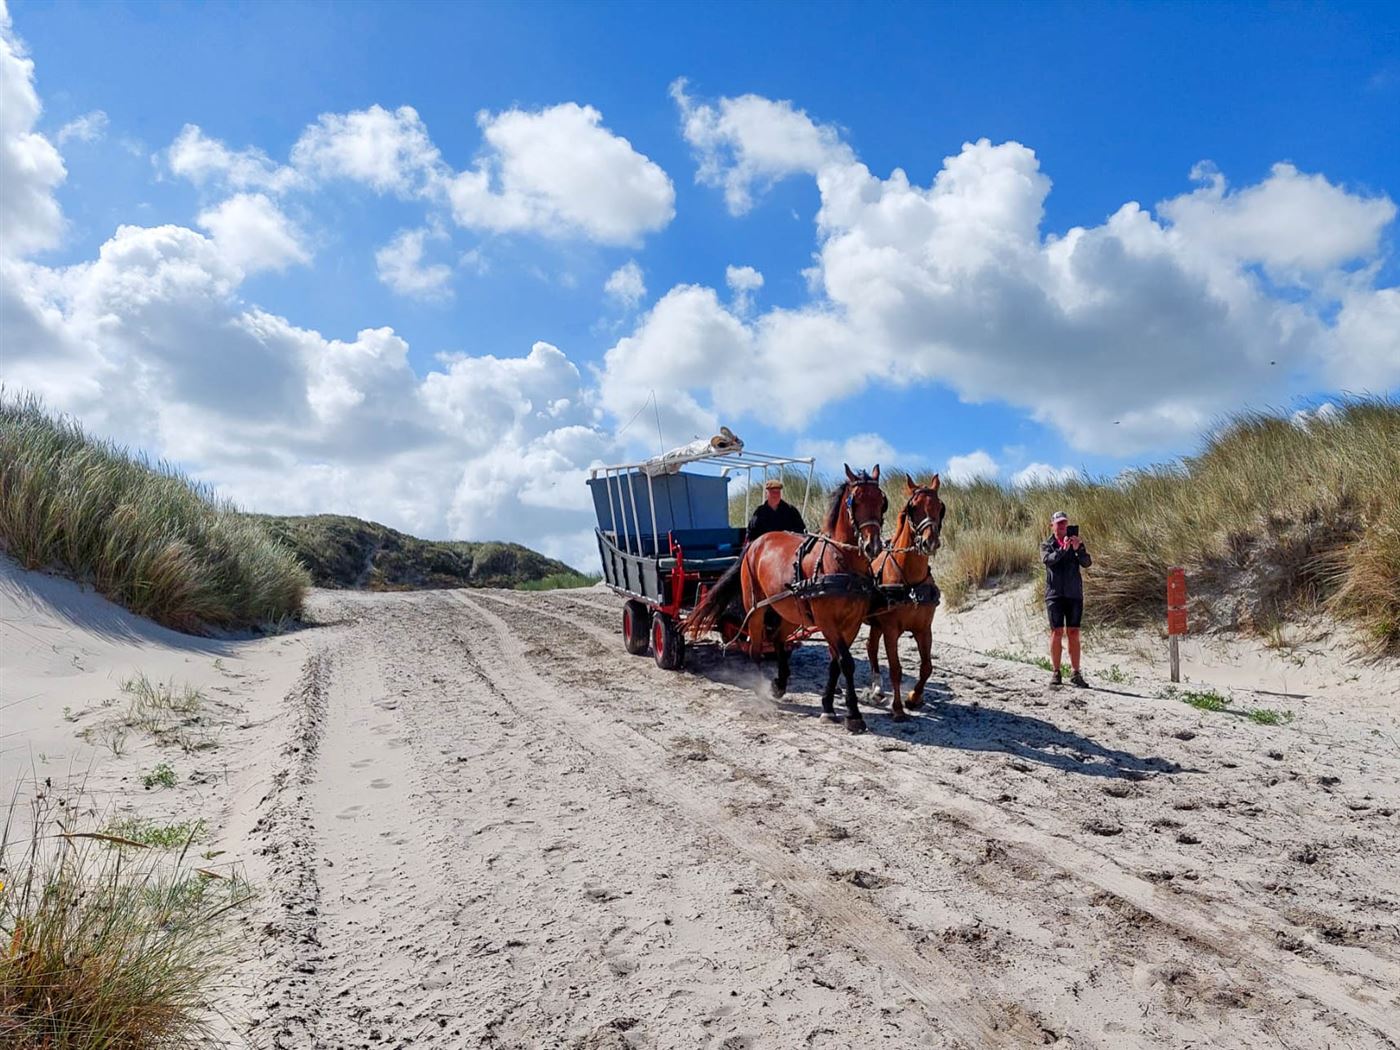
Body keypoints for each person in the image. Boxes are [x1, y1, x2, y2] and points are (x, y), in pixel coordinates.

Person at [1041, 510, 1092, 688]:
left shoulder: (1075, 542)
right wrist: (1062, 550)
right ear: (1052, 526)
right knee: (1056, 632)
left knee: (1074, 633)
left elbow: (1087, 563)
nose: (1062, 526)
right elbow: (1048, 560)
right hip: (1055, 594)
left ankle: (1076, 672)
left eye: (1064, 523)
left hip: (1074, 594)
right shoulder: (1047, 544)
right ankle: (1056, 672)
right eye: (1059, 523)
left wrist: (1078, 549)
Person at [746, 478, 807, 542]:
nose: (775, 494)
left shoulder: (791, 511)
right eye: (773, 492)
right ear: (767, 493)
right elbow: (751, 534)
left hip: (788, 546)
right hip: (766, 547)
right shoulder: (760, 513)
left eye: (778, 492)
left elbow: (801, 531)